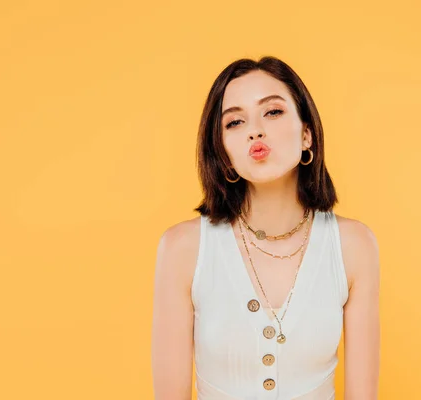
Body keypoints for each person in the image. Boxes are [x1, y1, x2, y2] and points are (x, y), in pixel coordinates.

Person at [152, 56, 380, 400]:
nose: (254, 130)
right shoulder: (182, 248)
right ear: (223, 152)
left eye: (272, 112)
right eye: (235, 122)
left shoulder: (353, 245)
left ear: (307, 134)